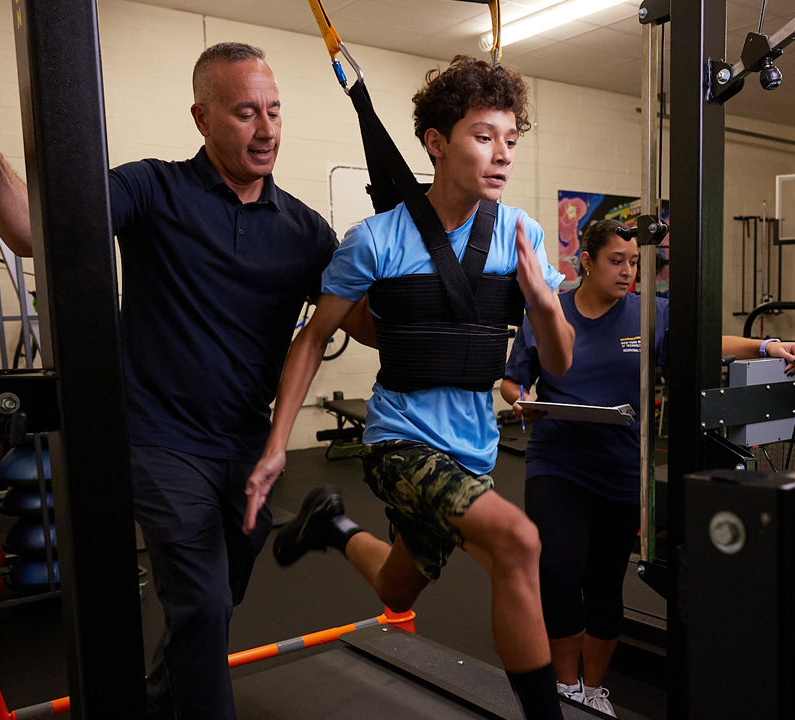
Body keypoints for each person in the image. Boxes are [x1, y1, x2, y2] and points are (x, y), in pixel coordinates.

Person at [0, 42, 373, 720]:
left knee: (216, 601)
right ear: (202, 118)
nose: (267, 128)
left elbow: (367, 325)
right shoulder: (153, 188)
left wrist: (424, 260)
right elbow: (34, 230)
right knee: (203, 599)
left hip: (248, 442)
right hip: (160, 438)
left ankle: (161, 697)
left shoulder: (306, 231)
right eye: (246, 112)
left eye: (275, 111)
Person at [244, 56, 574, 720]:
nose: (502, 154)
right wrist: (277, 446)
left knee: (400, 585)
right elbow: (311, 341)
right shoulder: (377, 240)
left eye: (511, 139)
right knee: (518, 540)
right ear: (436, 143)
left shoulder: (523, 236)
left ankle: (331, 525)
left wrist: (541, 301)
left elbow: (560, 366)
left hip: (472, 448)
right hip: (398, 442)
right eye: (484, 136)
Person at [499, 218, 795, 716]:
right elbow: (511, 383)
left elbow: (708, 340)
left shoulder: (648, 316)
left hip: (621, 467)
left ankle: (595, 689)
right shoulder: (549, 311)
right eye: (616, 261)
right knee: (557, 569)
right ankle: (566, 685)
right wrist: (523, 400)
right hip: (558, 461)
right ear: (587, 262)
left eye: (635, 262)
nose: (628, 272)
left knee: (603, 581)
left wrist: (770, 346)